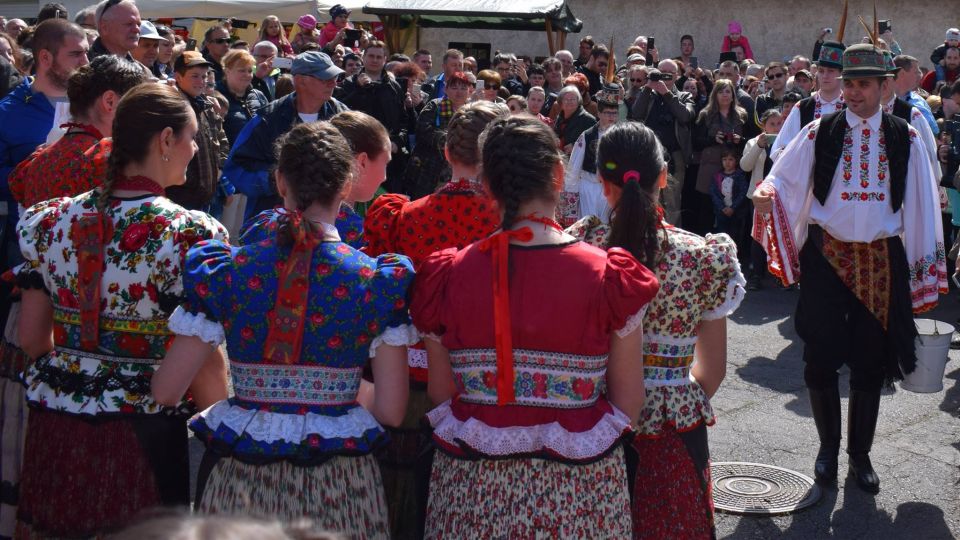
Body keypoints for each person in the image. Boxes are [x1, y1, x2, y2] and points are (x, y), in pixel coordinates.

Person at [152, 119, 410, 535]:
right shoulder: (375, 279)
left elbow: (166, 390)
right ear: (346, 186)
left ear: (279, 181)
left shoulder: (227, 271)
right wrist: (331, 387)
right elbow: (392, 411)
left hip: (244, 478)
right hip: (339, 481)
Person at [409, 115, 658, 538]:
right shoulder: (608, 275)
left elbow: (440, 392)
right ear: (559, 175)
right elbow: (629, 401)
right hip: (578, 490)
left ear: (487, 185)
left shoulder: (447, 273)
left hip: (472, 488)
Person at [14, 83, 228, 538]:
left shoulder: (51, 220)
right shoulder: (185, 233)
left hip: (56, 425)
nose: (194, 150)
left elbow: (32, 339)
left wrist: (82, 363)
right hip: (140, 434)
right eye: (191, 138)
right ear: (165, 140)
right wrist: (223, 429)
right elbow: (204, 357)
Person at [753, 44, 946, 494]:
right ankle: (827, 449)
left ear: (885, 86)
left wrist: (923, 268)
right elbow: (783, 176)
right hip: (828, 255)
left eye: (863, 84)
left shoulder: (907, 137)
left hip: (881, 258)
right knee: (819, 357)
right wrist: (766, 192)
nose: (854, 92)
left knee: (870, 363)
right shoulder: (821, 131)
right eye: (849, 83)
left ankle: (860, 456)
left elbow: (921, 202)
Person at [566, 121, 743, 540]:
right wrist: (670, 391)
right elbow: (712, 371)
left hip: (593, 420)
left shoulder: (583, 248)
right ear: (663, 177)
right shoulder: (702, 256)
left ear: (603, 183)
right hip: (673, 427)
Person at [0, 53, 143, 540]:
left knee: (29, 442)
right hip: (82, 324)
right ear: (109, 103)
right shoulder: (107, 164)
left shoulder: (41, 157)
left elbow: (20, 189)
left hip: (28, 314)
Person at [362, 101, 506, 539]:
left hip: (411, 374)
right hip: (484, 376)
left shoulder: (403, 216)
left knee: (400, 503)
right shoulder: (511, 221)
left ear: (447, 153)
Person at [0, 18, 88, 273]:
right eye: (75, 54)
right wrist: (39, 170)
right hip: (31, 244)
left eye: (86, 52)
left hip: (91, 238)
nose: (85, 62)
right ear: (46, 57)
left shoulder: (96, 105)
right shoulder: (8, 111)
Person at [241, 110, 390, 250]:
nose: (385, 177)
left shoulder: (262, 225)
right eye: (386, 163)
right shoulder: (363, 239)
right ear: (362, 161)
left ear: (280, 180)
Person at [225, 51, 348, 220]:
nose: (333, 83)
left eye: (335, 77)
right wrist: (278, 179)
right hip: (275, 225)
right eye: (325, 78)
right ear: (300, 81)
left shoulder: (343, 117)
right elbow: (235, 168)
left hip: (330, 225)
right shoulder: (267, 119)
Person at [337, 40, 408, 193]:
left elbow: (403, 120)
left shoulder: (394, 87)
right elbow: (341, 113)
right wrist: (359, 90)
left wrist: (397, 142)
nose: (374, 60)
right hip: (357, 152)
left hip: (387, 155)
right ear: (363, 57)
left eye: (378, 57)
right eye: (371, 56)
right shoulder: (349, 83)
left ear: (385, 60)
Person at [631, 60, 696, 226]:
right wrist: (648, 87)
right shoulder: (648, 94)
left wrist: (666, 93)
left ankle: (673, 240)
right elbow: (636, 113)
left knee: (672, 202)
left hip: (674, 157)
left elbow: (685, 116)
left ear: (677, 76)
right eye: (662, 72)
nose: (665, 76)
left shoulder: (684, 96)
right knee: (647, 198)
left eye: (670, 73)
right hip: (649, 154)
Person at [169, 51, 229, 212]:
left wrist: (219, 169)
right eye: (195, 76)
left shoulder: (207, 107)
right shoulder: (171, 107)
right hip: (178, 197)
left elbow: (221, 139)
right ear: (178, 77)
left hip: (205, 196)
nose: (201, 81)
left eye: (204, 77)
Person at [771, 41, 846, 160]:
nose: (825, 76)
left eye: (831, 71)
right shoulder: (802, 108)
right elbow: (779, 149)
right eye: (821, 71)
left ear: (841, 73)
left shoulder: (851, 107)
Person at [402, 70, 471, 199]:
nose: (459, 92)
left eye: (463, 88)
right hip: (430, 167)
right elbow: (422, 131)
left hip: (458, 169)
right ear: (446, 89)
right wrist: (449, 140)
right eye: (454, 87)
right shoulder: (435, 105)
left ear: (469, 90)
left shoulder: (472, 111)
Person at [561, 85, 621, 226]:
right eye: (607, 113)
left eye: (614, 113)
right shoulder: (587, 136)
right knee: (588, 225)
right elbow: (574, 167)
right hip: (589, 187)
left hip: (611, 189)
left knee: (608, 228)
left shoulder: (622, 137)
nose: (611, 117)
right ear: (599, 114)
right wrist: (571, 195)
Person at [693, 79, 746, 236]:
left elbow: (750, 140)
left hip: (733, 168)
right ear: (714, 94)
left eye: (728, 91)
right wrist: (712, 139)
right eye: (721, 91)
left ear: (733, 95)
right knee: (707, 211)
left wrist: (739, 140)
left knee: (733, 211)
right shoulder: (705, 115)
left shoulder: (741, 115)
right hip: (710, 167)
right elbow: (695, 142)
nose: (724, 95)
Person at [740, 109, 783, 290]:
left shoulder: (787, 140)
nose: (776, 127)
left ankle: (781, 274)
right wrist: (758, 146)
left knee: (779, 234)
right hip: (757, 194)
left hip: (780, 195)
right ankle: (756, 274)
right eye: (772, 124)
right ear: (764, 125)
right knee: (758, 235)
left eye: (779, 123)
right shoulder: (753, 142)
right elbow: (745, 166)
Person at [216, 49, 268, 146]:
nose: (247, 75)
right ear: (227, 71)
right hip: (231, 158)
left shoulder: (258, 95)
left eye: (250, 71)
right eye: (242, 70)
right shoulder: (216, 97)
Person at [710, 147, 749, 250]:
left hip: (736, 212)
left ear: (736, 161)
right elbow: (714, 193)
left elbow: (743, 192)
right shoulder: (717, 176)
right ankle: (722, 254)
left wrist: (733, 207)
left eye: (730, 159)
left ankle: (735, 254)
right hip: (721, 212)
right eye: (724, 159)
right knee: (722, 234)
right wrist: (722, 208)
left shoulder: (739, 175)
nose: (727, 162)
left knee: (735, 234)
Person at [893, 55, 938, 136]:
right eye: (916, 72)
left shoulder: (919, 100)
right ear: (902, 73)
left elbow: (934, 132)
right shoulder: (885, 102)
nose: (920, 75)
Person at [553, 84, 596, 156]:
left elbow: (594, 144)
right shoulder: (560, 118)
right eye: (566, 99)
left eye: (572, 99)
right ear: (561, 102)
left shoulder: (588, 120)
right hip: (561, 158)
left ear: (578, 101)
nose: (569, 102)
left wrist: (575, 146)